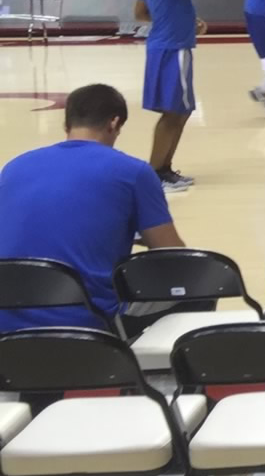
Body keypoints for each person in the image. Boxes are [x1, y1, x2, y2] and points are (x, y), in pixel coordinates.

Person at [0, 84, 185, 331]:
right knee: (197, 282)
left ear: (67, 125)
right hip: (86, 322)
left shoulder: (14, 167)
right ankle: (146, 367)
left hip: (8, 320)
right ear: (114, 123)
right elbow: (173, 255)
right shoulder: (133, 172)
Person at [135, 0, 220, 191]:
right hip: (173, 49)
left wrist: (185, 20)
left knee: (178, 112)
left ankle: (164, 170)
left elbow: (141, 13)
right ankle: (157, 173)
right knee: (174, 114)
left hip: (163, 46)